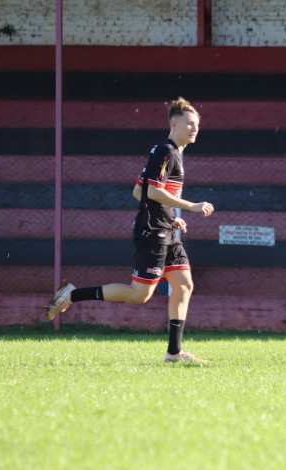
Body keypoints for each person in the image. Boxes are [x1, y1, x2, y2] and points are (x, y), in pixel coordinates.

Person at [46, 97, 215, 363]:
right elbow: (152, 191)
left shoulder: (173, 153)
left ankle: (174, 353)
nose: (195, 128)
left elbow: (138, 191)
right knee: (139, 295)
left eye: (197, 124)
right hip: (153, 232)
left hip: (166, 229)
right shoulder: (166, 151)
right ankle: (72, 294)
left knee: (184, 285)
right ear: (174, 124)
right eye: (190, 123)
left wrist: (171, 217)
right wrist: (191, 207)